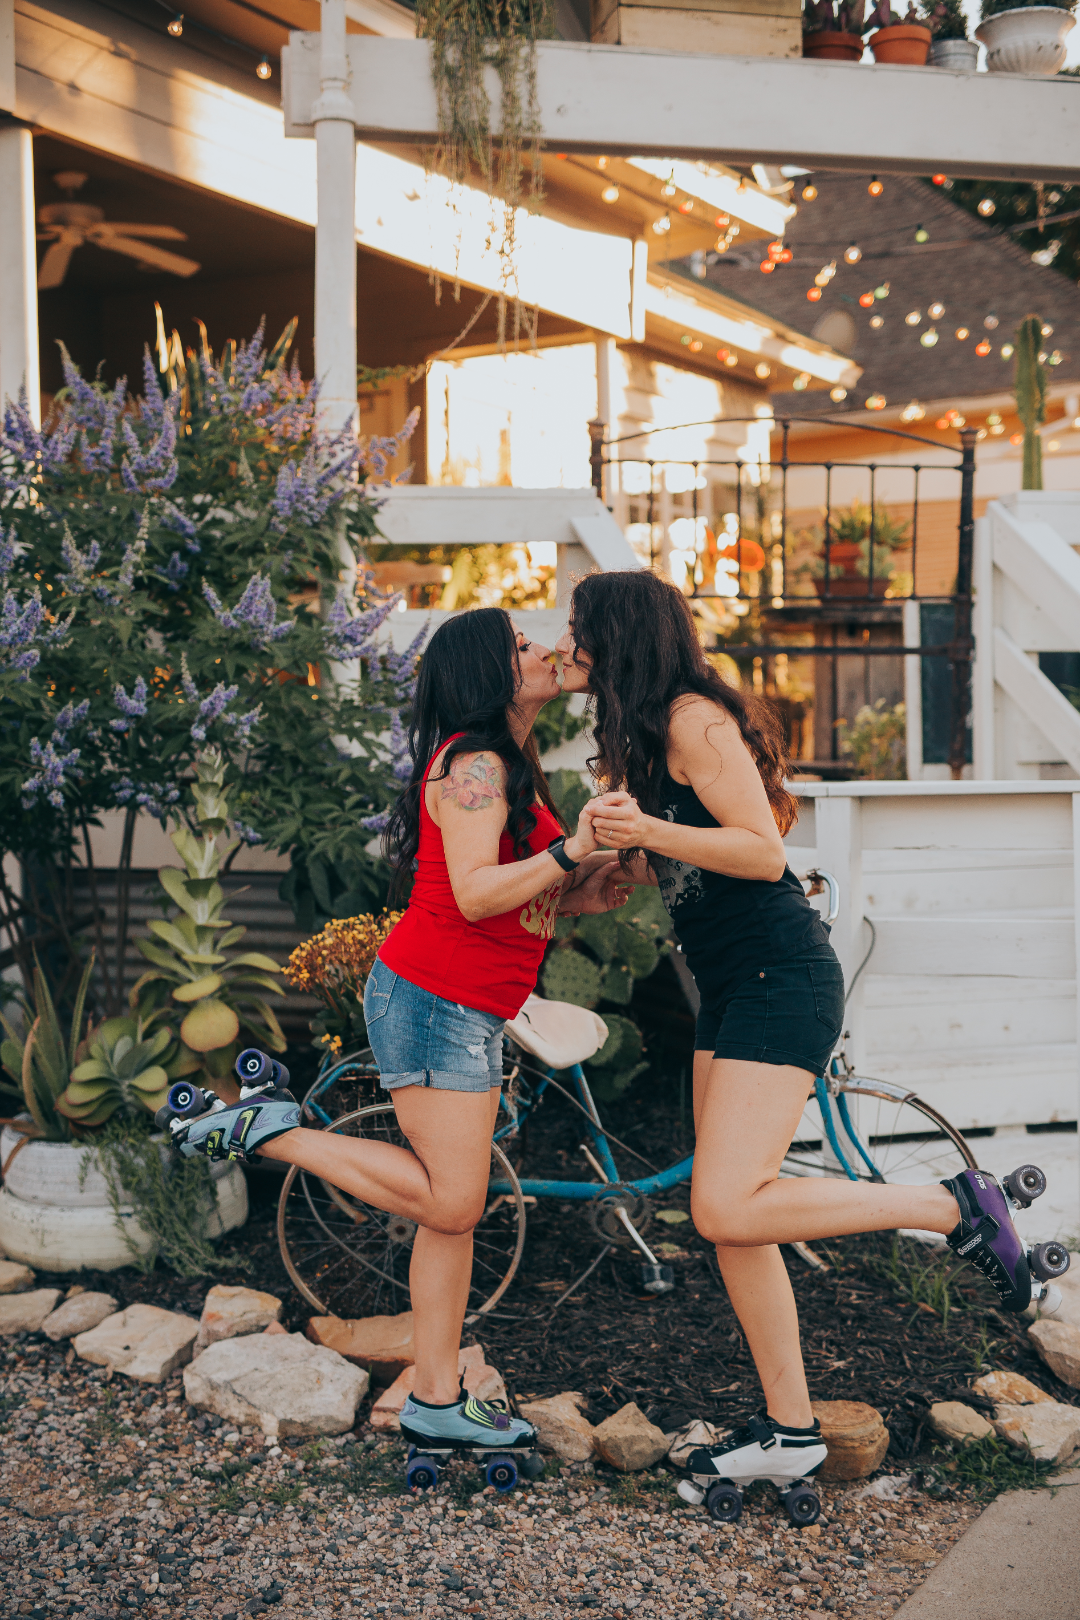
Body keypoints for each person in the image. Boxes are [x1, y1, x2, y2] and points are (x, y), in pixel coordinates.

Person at [555, 570, 1046, 1487]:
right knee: (736, 1219)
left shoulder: (693, 718)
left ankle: (952, 1205)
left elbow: (761, 849)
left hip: (781, 977)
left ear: (618, 634)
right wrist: (603, 870)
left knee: (723, 1203)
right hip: (734, 985)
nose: (566, 638)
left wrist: (654, 835)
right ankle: (790, 1431)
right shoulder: (642, 738)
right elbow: (688, 855)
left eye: (580, 625)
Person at [172, 607, 628, 1458]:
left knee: (448, 1219)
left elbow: (514, 892)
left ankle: (434, 1397)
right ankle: (276, 1132)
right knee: (456, 1198)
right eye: (522, 645)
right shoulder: (474, 763)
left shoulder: (510, 762)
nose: (542, 649)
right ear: (491, 671)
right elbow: (471, 894)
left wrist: (583, 888)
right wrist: (572, 855)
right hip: (435, 1000)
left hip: (468, 1003)